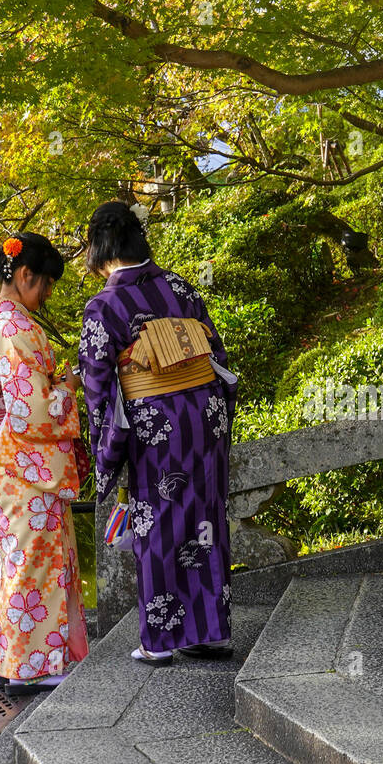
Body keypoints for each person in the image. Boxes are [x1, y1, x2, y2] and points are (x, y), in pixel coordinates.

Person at [77, 201, 237, 666]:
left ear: (100, 250)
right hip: (204, 417)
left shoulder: (104, 306)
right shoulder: (180, 287)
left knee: (160, 522)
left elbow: (97, 385)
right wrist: (217, 415)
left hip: (155, 427)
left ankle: (162, 639)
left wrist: (105, 453)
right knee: (205, 515)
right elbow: (216, 354)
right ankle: (211, 632)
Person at [0, 232, 89, 693]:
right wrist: (69, 387)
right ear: (24, 275)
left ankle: (25, 661)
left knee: (17, 557)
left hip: (10, 457)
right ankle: (34, 667)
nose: (48, 294)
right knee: (34, 560)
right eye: (45, 284)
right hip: (24, 461)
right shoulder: (16, 329)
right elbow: (33, 409)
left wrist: (52, 384)